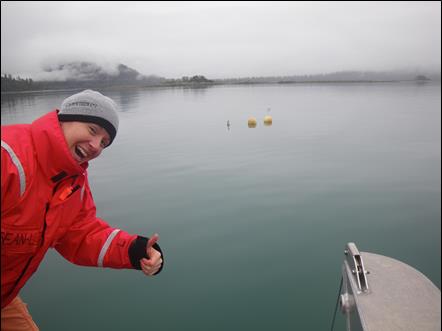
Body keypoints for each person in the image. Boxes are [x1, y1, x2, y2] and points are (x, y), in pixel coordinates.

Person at [1, 89, 164, 330]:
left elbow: (80, 234)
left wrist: (135, 249)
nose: (96, 146)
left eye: (104, 143)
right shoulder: (8, 156)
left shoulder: (72, 181)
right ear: (64, 119)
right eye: (92, 130)